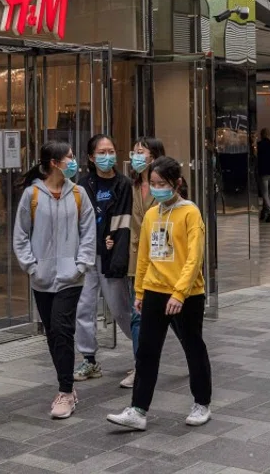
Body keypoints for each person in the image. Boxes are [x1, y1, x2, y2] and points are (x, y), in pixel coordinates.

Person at [106, 156, 212, 431]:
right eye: (152, 183)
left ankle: (202, 402)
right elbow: (144, 256)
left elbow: (194, 257)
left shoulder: (190, 212)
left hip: (186, 294)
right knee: (147, 352)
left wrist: (179, 293)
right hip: (154, 290)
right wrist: (140, 291)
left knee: (193, 347)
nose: (156, 188)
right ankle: (138, 409)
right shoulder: (153, 214)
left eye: (161, 183)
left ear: (176, 183)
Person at [13, 141, 96, 419]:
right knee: (52, 332)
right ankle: (67, 386)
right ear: (53, 163)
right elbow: (21, 234)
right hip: (42, 277)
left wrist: (81, 265)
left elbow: (88, 232)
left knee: (62, 328)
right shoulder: (32, 195)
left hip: (71, 277)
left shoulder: (79, 194)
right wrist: (31, 266)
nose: (74, 162)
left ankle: (65, 391)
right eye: (69, 157)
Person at [72, 135, 133, 384]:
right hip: (87, 257)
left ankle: (143, 354)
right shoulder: (83, 185)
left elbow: (124, 222)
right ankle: (89, 360)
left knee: (120, 309)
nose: (107, 156)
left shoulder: (123, 184)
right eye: (101, 152)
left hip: (112, 258)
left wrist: (113, 244)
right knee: (83, 308)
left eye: (111, 151)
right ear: (91, 157)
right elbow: (78, 222)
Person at [122, 136, 166, 389]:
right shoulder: (131, 185)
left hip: (160, 258)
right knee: (137, 315)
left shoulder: (164, 187)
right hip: (135, 258)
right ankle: (141, 366)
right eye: (135, 151)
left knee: (172, 317)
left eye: (142, 151)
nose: (137, 156)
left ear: (154, 155)